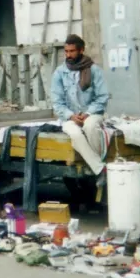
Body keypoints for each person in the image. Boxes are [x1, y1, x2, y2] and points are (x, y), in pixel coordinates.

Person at [51, 34, 111, 176]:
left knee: (90, 126)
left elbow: (102, 97)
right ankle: (100, 169)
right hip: (69, 116)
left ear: (81, 50)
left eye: (72, 51)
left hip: (92, 114)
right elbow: (57, 102)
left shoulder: (94, 70)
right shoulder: (60, 73)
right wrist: (71, 116)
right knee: (74, 133)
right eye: (66, 51)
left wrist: (88, 113)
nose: (68, 55)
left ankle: (93, 166)